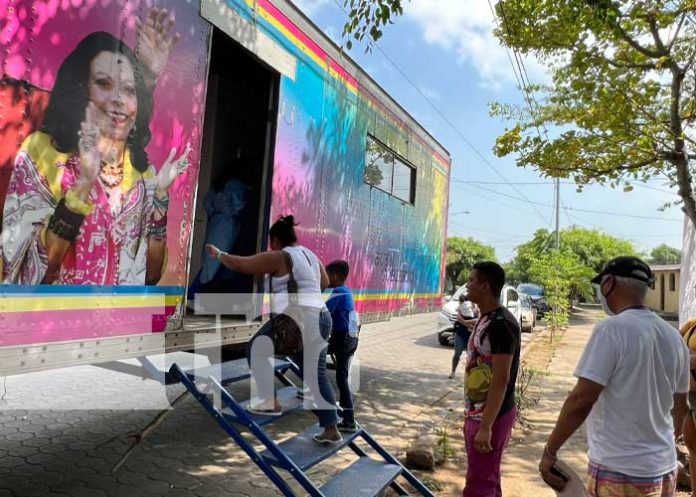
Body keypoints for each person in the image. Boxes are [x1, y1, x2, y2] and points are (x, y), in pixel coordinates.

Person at [1, 9, 189, 286]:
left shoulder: (142, 174)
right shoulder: (43, 152)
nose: (118, 100)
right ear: (82, 90)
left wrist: (160, 197)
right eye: (103, 84)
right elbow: (25, 269)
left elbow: (150, 276)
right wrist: (83, 184)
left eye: (128, 90)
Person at [539, 256, 690, 497]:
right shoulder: (674, 339)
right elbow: (680, 411)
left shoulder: (611, 329)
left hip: (620, 471)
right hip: (664, 470)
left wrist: (550, 451)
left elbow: (581, 400)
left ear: (608, 283)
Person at [206, 215, 342, 444]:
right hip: (321, 315)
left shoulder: (281, 256)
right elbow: (326, 282)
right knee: (316, 374)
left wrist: (218, 254)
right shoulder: (310, 254)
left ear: (276, 240)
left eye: (271, 242)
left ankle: (269, 401)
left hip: (297, 318)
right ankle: (331, 429)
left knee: (256, 349)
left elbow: (244, 264)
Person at [462, 261, 520, 497]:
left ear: (485, 286)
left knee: (478, 485)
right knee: (488, 479)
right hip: (479, 414)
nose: (468, 284)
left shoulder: (501, 324)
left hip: (491, 417)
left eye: (472, 280)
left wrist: (486, 425)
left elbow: (501, 378)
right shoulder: (486, 318)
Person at [325, 260, 361, 433]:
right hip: (351, 338)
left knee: (308, 354)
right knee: (342, 379)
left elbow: (322, 313)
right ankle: (349, 419)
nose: (325, 278)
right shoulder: (346, 291)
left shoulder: (338, 291)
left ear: (335, 275)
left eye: (327, 275)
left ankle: (308, 389)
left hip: (342, 339)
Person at [681, 317, 696, 497]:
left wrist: (686, 355)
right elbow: (672, 347)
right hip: (688, 396)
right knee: (692, 449)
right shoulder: (692, 323)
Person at [449, 293, 478, 379]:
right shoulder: (463, 307)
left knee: (471, 356)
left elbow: (479, 319)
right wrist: (467, 324)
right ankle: (453, 372)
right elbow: (458, 318)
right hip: (461, 334)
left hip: (471, 335)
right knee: (457, 353)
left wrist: (467, 323)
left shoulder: (477, 308)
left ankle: (470, 374)